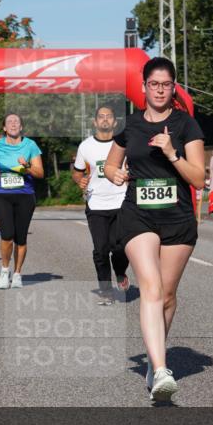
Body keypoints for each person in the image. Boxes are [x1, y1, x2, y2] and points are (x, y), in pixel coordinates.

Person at [105, 56, 205, 402]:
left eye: (166, 84)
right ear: (144, 87)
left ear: (173, 88)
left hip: (177, 218)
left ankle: (153, 358)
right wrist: (113, 174)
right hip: (138, 216)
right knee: (150, 285)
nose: (160, 90)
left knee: (166, 296)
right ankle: (162, 370)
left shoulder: (186, 126)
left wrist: (173, 153)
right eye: (154, 84)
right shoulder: (130, 125)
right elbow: (110, 163)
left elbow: (199, 178)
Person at [72, 105, 130, 305]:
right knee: (101, 249)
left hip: (121, 201)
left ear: (114, 122)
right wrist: (79, 180)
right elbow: (77, 171)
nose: (105, 120)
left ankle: (121, 272)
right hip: (96, 203)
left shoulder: (124, 143)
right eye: (101, 117)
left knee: (121, 247)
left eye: (109, 117)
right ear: (95, 122)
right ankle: (106, 290)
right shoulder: (85, 146)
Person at [0, 113, 44, 289]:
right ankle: (4, 270)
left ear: (21, 127)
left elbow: (40, 173)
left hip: (25, 194)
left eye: (16, 122)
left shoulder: (30, 145)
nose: (13, 124)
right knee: (7, 234)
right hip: (2, 193)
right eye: (9, 122)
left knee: (21, 237)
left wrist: (27, 167)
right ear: (4, 128)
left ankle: (17, 273)